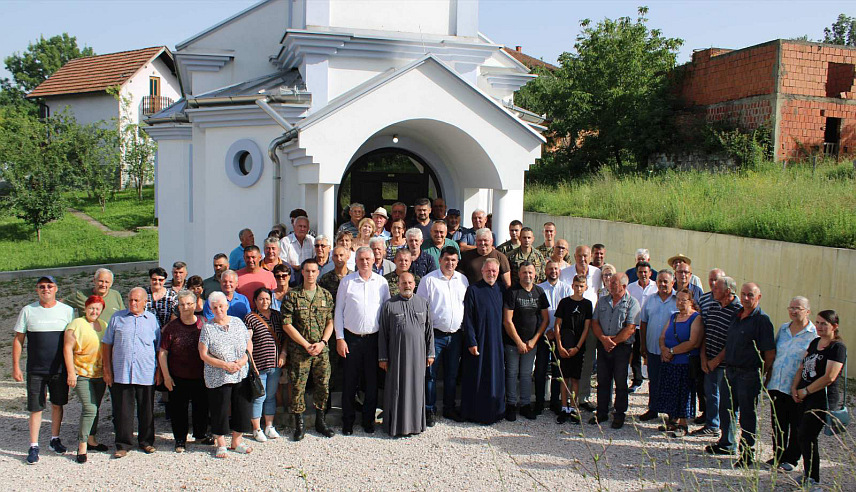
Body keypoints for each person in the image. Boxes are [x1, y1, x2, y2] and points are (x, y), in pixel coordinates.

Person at [704, 283, 775, 468]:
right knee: (727, 409)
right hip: (730, 371)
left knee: (747, 415)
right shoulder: (737, 315)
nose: (745, 298)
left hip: (749, 373)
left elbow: (769, 352)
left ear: (758, 297)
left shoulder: (762, 320)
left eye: (750, 295)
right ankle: (727, 443)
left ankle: (747, 453)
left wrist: (763, 373)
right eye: (743, 294)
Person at [12, 276, 73, 464]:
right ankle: (33, 445)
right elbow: (18, 339)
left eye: (49, 286)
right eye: (42, 286)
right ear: (37, 290)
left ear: (56, 289)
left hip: (59, 369)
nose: (46, 289)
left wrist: (72, 369)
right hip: (36, 369)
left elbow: (72, 341)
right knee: (35, 408)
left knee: (57, 404)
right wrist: (16, 366)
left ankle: (55, 439)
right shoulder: (28, 311)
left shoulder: (67, 311)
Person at [334, 247, 391, 434]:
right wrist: (340, 338)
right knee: (349, 382)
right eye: (361, 259)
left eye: (368, 259)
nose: (365, 262)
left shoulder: (382, 283)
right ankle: (348, 421)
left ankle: (368, 421)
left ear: (374, 260)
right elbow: (338, 311)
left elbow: (386, 313)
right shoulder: (347, 282)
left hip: (374, 340)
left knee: (372, 383)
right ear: (356, 261)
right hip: (351, 339)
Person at [102, 287, 161, 458]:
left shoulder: (152, 320)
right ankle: (123, 444)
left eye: (136, 300)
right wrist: (107, 369)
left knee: (146, 410)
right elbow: (107, 344)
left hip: (146, 372)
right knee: (122, 411)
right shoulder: (117, 318)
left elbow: (158, 347)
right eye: (130, 300)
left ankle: (146, 442)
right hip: (122, 372)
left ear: (145, 302)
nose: (133, 303)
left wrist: (159, 371)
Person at [282, 258, 336, 440]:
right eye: (307, 271)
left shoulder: (326, 295)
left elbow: (330, 322)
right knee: (298, 386)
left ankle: (321, 422)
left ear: (318, 273)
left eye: (313, 271)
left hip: (321, 350)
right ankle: (299, 425)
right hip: (300, 351)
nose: (310, 274)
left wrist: (322, 342)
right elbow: (286, 324)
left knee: (323, 385)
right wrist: (305, 344)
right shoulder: (293, 296)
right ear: (302, 272)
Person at [792, 310, 846, 489]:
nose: (819, 327)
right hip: (804, 395)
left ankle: (813, 478)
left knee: (807, 434)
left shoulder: (837, 348)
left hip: (821, 398)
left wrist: (806, 391)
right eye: (818, 322)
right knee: (802, 434)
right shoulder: (815, 342)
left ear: (834, 326)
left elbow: (829, 377)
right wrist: (795, 387)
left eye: (824, 324)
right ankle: (808, 473)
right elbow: (802, 366)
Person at [198, 291, 254, 458]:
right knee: (219, 409)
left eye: (221, 306)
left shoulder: (237, 322)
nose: (219, 310)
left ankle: (237, 441)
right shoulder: (207, 328)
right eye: (215, 308)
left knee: (241, 407)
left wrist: (243, 360)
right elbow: (203, 354)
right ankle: (221, 443)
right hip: (218, 375)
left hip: (240, 372)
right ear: (211, 309)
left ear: (227, 306)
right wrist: (224, 365)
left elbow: (248, 343)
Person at [417, 246, 469, 424]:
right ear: (440, 260)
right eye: (447, 259)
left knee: (452, 374)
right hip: (435, 336)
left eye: (453, 260)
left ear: (457, 262)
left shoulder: (462, 280)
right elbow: (421, 309)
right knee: (430, 374)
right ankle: (429, 409)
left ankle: (449, 408)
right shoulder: (428, 280)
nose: (450, 263)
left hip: (456, 336)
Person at [379, 273, 435, 436]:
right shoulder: (389, 305)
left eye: (410, 282)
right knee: (397, 388)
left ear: (414, 284)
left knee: (416, 389)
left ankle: (415, 425)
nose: (407, 285)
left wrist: (430, 353)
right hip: (396, 357)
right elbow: (383, 333)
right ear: (398, 285)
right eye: (404, 283)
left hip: (418, 356)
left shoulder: (423, 303)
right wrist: (383, 357)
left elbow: (429, 331)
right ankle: (396, 426)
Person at [766, 297, 816, 471]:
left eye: (798, 308)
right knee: (778, 423)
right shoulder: (783, 329)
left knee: (796, 423)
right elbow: (775, 353)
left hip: (796, 386)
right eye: (791, 308)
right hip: (777, 383)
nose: (793, 311)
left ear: (807, 311)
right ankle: (778, 454)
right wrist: (768, 375)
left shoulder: (813, 334)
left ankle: (792, 458)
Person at [159, 290, 210, 453]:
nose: (186, 307)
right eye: (182, 304)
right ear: (178, 307)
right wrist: (166, 376)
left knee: (201, 407)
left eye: (189, 304)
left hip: (201, 375)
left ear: (195, 305)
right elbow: (163, 352)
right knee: (178, 410)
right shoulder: (171, 328)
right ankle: (180, 439)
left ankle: (200, 434)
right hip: (178, 376)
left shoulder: (204, 323)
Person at [589, 273, 641, 429]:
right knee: (603, 380)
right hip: (603, 346)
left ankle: (619, 414)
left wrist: (613, 342)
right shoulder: (602, 301)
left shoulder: (632, 303)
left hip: (621, 348)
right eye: (610, 282)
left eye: (614, 283)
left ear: (624, 286)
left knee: (620, 381)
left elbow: (630, 328)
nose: (610, 285)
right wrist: (603, 339)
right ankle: (602, 412)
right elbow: (595, 322)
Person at [694, 276, 742, 437]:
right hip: (709, 359)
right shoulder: (714, 305)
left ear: (727, 291)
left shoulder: (738, 311)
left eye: (717, 287)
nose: (713, 289)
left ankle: (726, 434)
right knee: (710, 394)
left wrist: (717, 360)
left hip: (725, 364)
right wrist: (703, 357)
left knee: (725, 399)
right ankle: (712, 424)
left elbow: (733, 341)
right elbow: (706, 331)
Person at [63, 295, 109, 463]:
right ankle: (82, 444)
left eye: (97, 309)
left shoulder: (103, 325)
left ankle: (91, 439)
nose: (94, 311)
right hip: (81, 373)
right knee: (90, 408)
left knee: (96, 407)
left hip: (99, 374)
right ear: (85, 308)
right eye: (91, 308)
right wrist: (70, 373)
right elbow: (67, 348)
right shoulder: (76, 324)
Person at [460, 258, 506, 425]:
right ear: (482, 271)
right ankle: (475, 413)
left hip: (496, 341)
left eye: (494, 271)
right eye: (488, 271)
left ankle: (496, 411)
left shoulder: (502, 289)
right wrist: (472, 341)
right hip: (479, 340)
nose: (491, 274)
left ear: (498, 272)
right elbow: (468, 318)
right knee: (477, 376)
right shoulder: (473, 290)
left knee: (495, 376)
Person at [502, 262, 549, 421]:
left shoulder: (539, 292)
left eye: (530, 272)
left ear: (535, 274)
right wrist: (519, 342)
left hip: (531, 344)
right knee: (511, 373)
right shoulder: (512, 292)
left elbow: (545, 319)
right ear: (519, 274)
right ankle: (511, 405)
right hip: (512, 342)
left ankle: (525, 405)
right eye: (524, 272)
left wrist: (533, 340)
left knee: (526, 374)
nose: (527, 275)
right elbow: (507, 320)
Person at [654, 289, 703, 437]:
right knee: (671, 391)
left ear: (691, 301)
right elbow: (662, 336)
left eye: (684, 300)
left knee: (684, 393)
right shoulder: (673, 316)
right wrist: (664, 350)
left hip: (685, 362)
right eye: (678, 299)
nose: (680, 302)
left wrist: (672, 351)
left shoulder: (696, 318)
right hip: (670, 362)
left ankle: (683, 424)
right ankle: (672, 420)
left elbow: (693, 342)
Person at [243, 288, 286, 442]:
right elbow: (248, 341)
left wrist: (283, 354)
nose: (264, 302)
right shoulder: (250, 318)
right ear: (255, 301)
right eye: (261, 299)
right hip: (259, 364)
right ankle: (256, 428)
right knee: (259, 396)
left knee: (271, 396)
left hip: (275, 363)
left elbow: (285, 337)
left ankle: (269, 425)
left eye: (267, 299)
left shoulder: (277, 316)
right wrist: (251, 362)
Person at [638, 270, 677, 422]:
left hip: (671, 351)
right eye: (660, 281)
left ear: (672, 283)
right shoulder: (650, 299)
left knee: (670, 382)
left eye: (666, 281)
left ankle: (671, 413)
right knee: (653, 380)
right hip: (653, 348)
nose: (662, 284)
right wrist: (643, 345)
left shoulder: (678, 300)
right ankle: (653, 408)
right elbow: (643, 322)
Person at [553, 274, 592, 424]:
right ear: (572, 286)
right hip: (564, 345)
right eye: (576, 286)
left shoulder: (587, 304)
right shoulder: (564, 302)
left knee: (575, 379)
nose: (579, 288)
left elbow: (586, 328)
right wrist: (559, 346)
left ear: (585, 287)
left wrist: (578, 347)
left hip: (578, 347)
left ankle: (574, 408)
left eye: (581, 286)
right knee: (564, 378)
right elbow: (557, 325)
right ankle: (564, 408)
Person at [537, 260, 574, 414]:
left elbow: (569, 313)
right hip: (543, 334)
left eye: (556, 269)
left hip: (560, 336)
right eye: (550, 269)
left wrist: (556, 331)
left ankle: (555, 402)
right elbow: (536, 313)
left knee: (557, 370)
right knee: (540, 370)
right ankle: (539, 403)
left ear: (560, 271)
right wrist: (546, 330)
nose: (553, 271)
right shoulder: (539, 289)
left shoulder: (567, 289)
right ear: (546, 271)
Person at [627, 261, 657, 393]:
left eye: (645, 272)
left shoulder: (656, 287)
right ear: (637, 273)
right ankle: (637, 380)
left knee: (651, 354)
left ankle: (653, 380)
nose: (643, 274)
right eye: (640, 272)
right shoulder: (631, 287)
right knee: (635, 354)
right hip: (635, 326)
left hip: (651, 326)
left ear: (650, 273)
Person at [236, 246, 276, 310]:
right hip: (242, 313)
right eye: (248, 257)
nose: (250, 260)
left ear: (260, 257)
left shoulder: (269, 275)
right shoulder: (236, 276)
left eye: (253, 257)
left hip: (265, 313)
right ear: (244, 258)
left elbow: (274, 297)